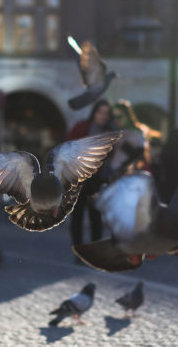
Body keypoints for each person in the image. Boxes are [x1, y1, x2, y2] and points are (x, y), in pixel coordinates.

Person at [66, 100, 118, 263]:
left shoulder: (108, 132)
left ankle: (94, 252)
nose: (103, 116)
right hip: (78, 178)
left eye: (106, 113)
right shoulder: (82, 127)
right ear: (94, 113)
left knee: (96, 216)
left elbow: (110, 154)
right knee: (78, 216)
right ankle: (79, 252)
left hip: (97, 179)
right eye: (100, 112)